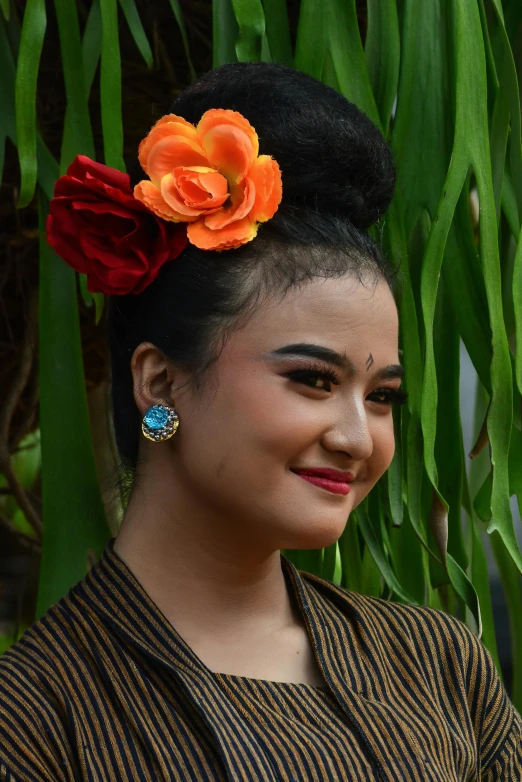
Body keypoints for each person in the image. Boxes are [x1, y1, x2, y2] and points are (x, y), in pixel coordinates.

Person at [0, 61, 520, 782]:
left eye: (381, 397)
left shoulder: (440, 666)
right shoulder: (35, 718)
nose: (357, 438)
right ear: (160, 380)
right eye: (312, 380)